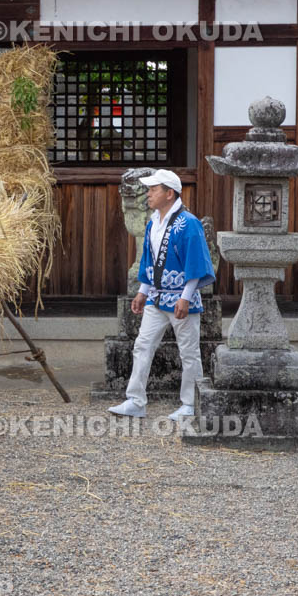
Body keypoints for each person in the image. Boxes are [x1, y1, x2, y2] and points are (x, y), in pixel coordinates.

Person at [108, 169, 216, 421]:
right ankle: (135, 400)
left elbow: (196, 262)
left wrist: (186, 296)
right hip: (156, 297)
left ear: (170, 193)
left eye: (153, 190)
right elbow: (148, 260)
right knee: (142, 345)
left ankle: (190, 404)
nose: (148, 194)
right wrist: (142, 291)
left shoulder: (188, 223)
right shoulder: (153, 221)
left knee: (189, 352)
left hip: (180, 299)